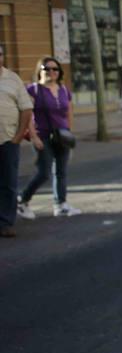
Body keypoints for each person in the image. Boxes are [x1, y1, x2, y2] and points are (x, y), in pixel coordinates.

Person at [17, 56, 79, 218]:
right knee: (44, 172)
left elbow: (69, 112)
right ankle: (22, 200)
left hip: (62, 135)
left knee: (61, 171)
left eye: (55, 69)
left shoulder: (63, 89)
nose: (51, 72)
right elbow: (27, 114)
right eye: (47, 69)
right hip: (42, 135)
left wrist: (69, 131)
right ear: (40, 71)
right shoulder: (33, 90)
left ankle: (60, 205)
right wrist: (33, 135)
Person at [0, 43, 35, 238]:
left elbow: (26, 109)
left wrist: (18, 137)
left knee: (8, 183)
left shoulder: (13, 79)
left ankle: (5, 222)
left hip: (8, 140)